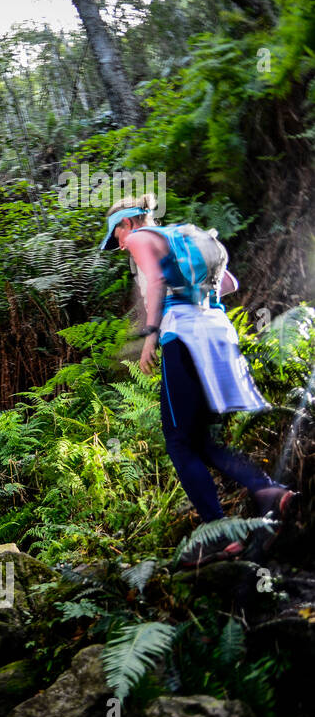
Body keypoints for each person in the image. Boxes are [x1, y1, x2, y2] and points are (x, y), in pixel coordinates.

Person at [100, 197, 297, 566]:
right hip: (216, 336)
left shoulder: (143, 238)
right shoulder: (181, 238)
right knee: (200, 439)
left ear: (127, 224)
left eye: (117, 235)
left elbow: (156, 282)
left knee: (177, 440)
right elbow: (228, 284)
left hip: (182, 339)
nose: (121, 245)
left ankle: (220, 534)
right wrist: (193, 298)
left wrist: (149, 337)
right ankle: (270, 491)